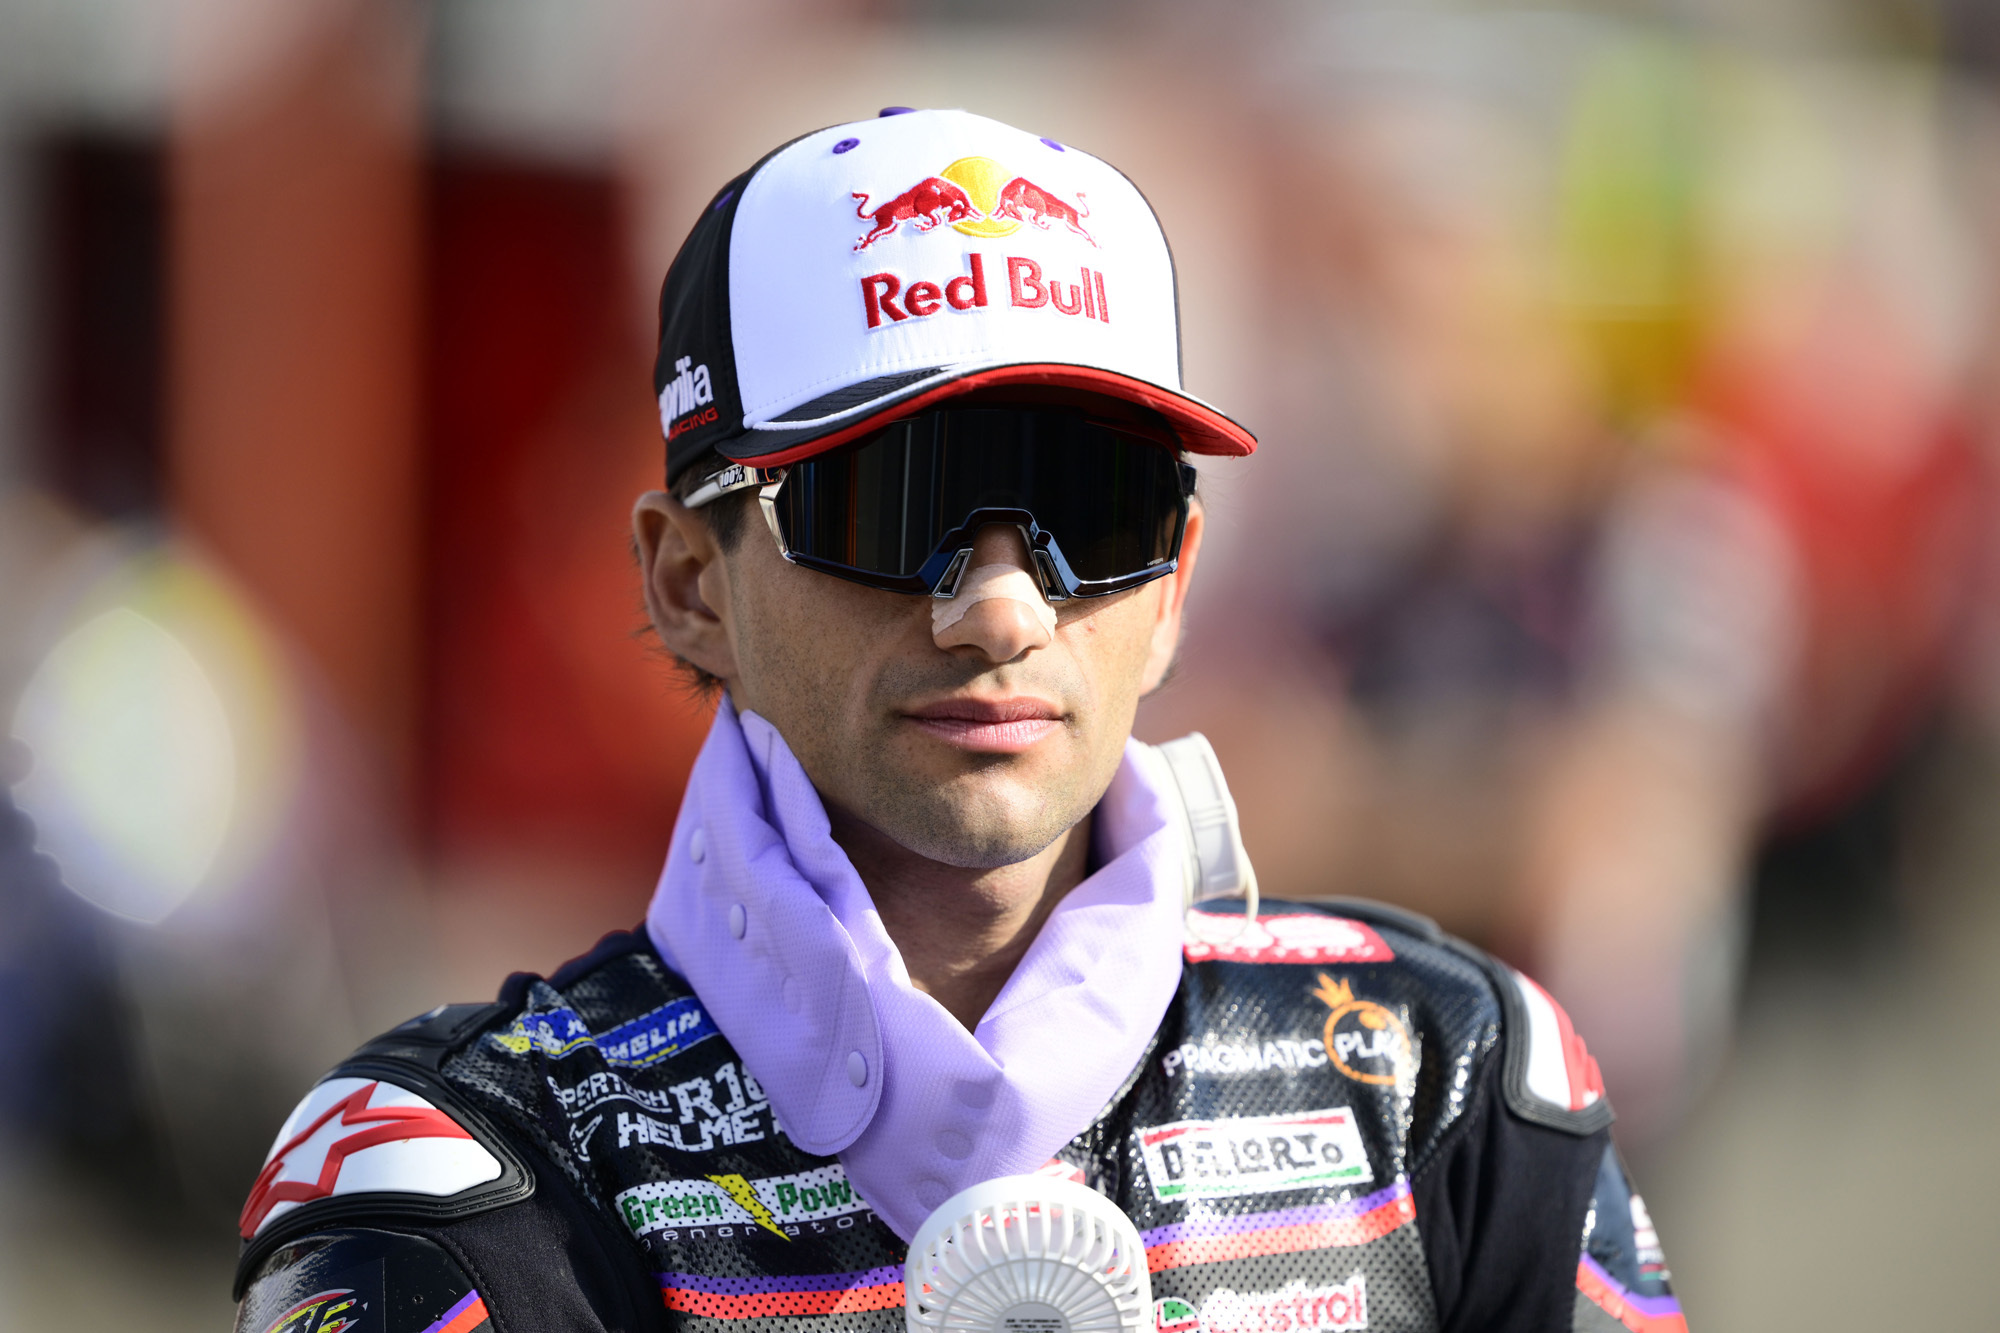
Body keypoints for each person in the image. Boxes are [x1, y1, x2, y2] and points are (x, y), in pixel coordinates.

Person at [230, 109, 1685, 1333]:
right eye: (890, 504)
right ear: (689, 585)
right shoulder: (456, 1173)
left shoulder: (1453, 1083)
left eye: (1093, 513)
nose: (999, 610)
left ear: (1175, 585)